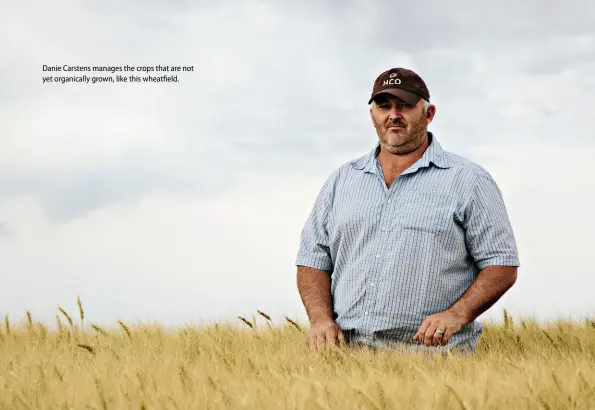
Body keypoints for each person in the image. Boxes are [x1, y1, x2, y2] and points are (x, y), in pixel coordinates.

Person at [295, 67, 520, 354]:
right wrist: (320, 320)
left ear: (428, 114)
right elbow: (312, 259)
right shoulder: (342, 181)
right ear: (372, 114)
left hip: (434, 360)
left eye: (405, 105)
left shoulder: (468, 181)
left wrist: (458, 314)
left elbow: (502, 264)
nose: (394, 115)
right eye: (384, 106)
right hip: (347, 361)